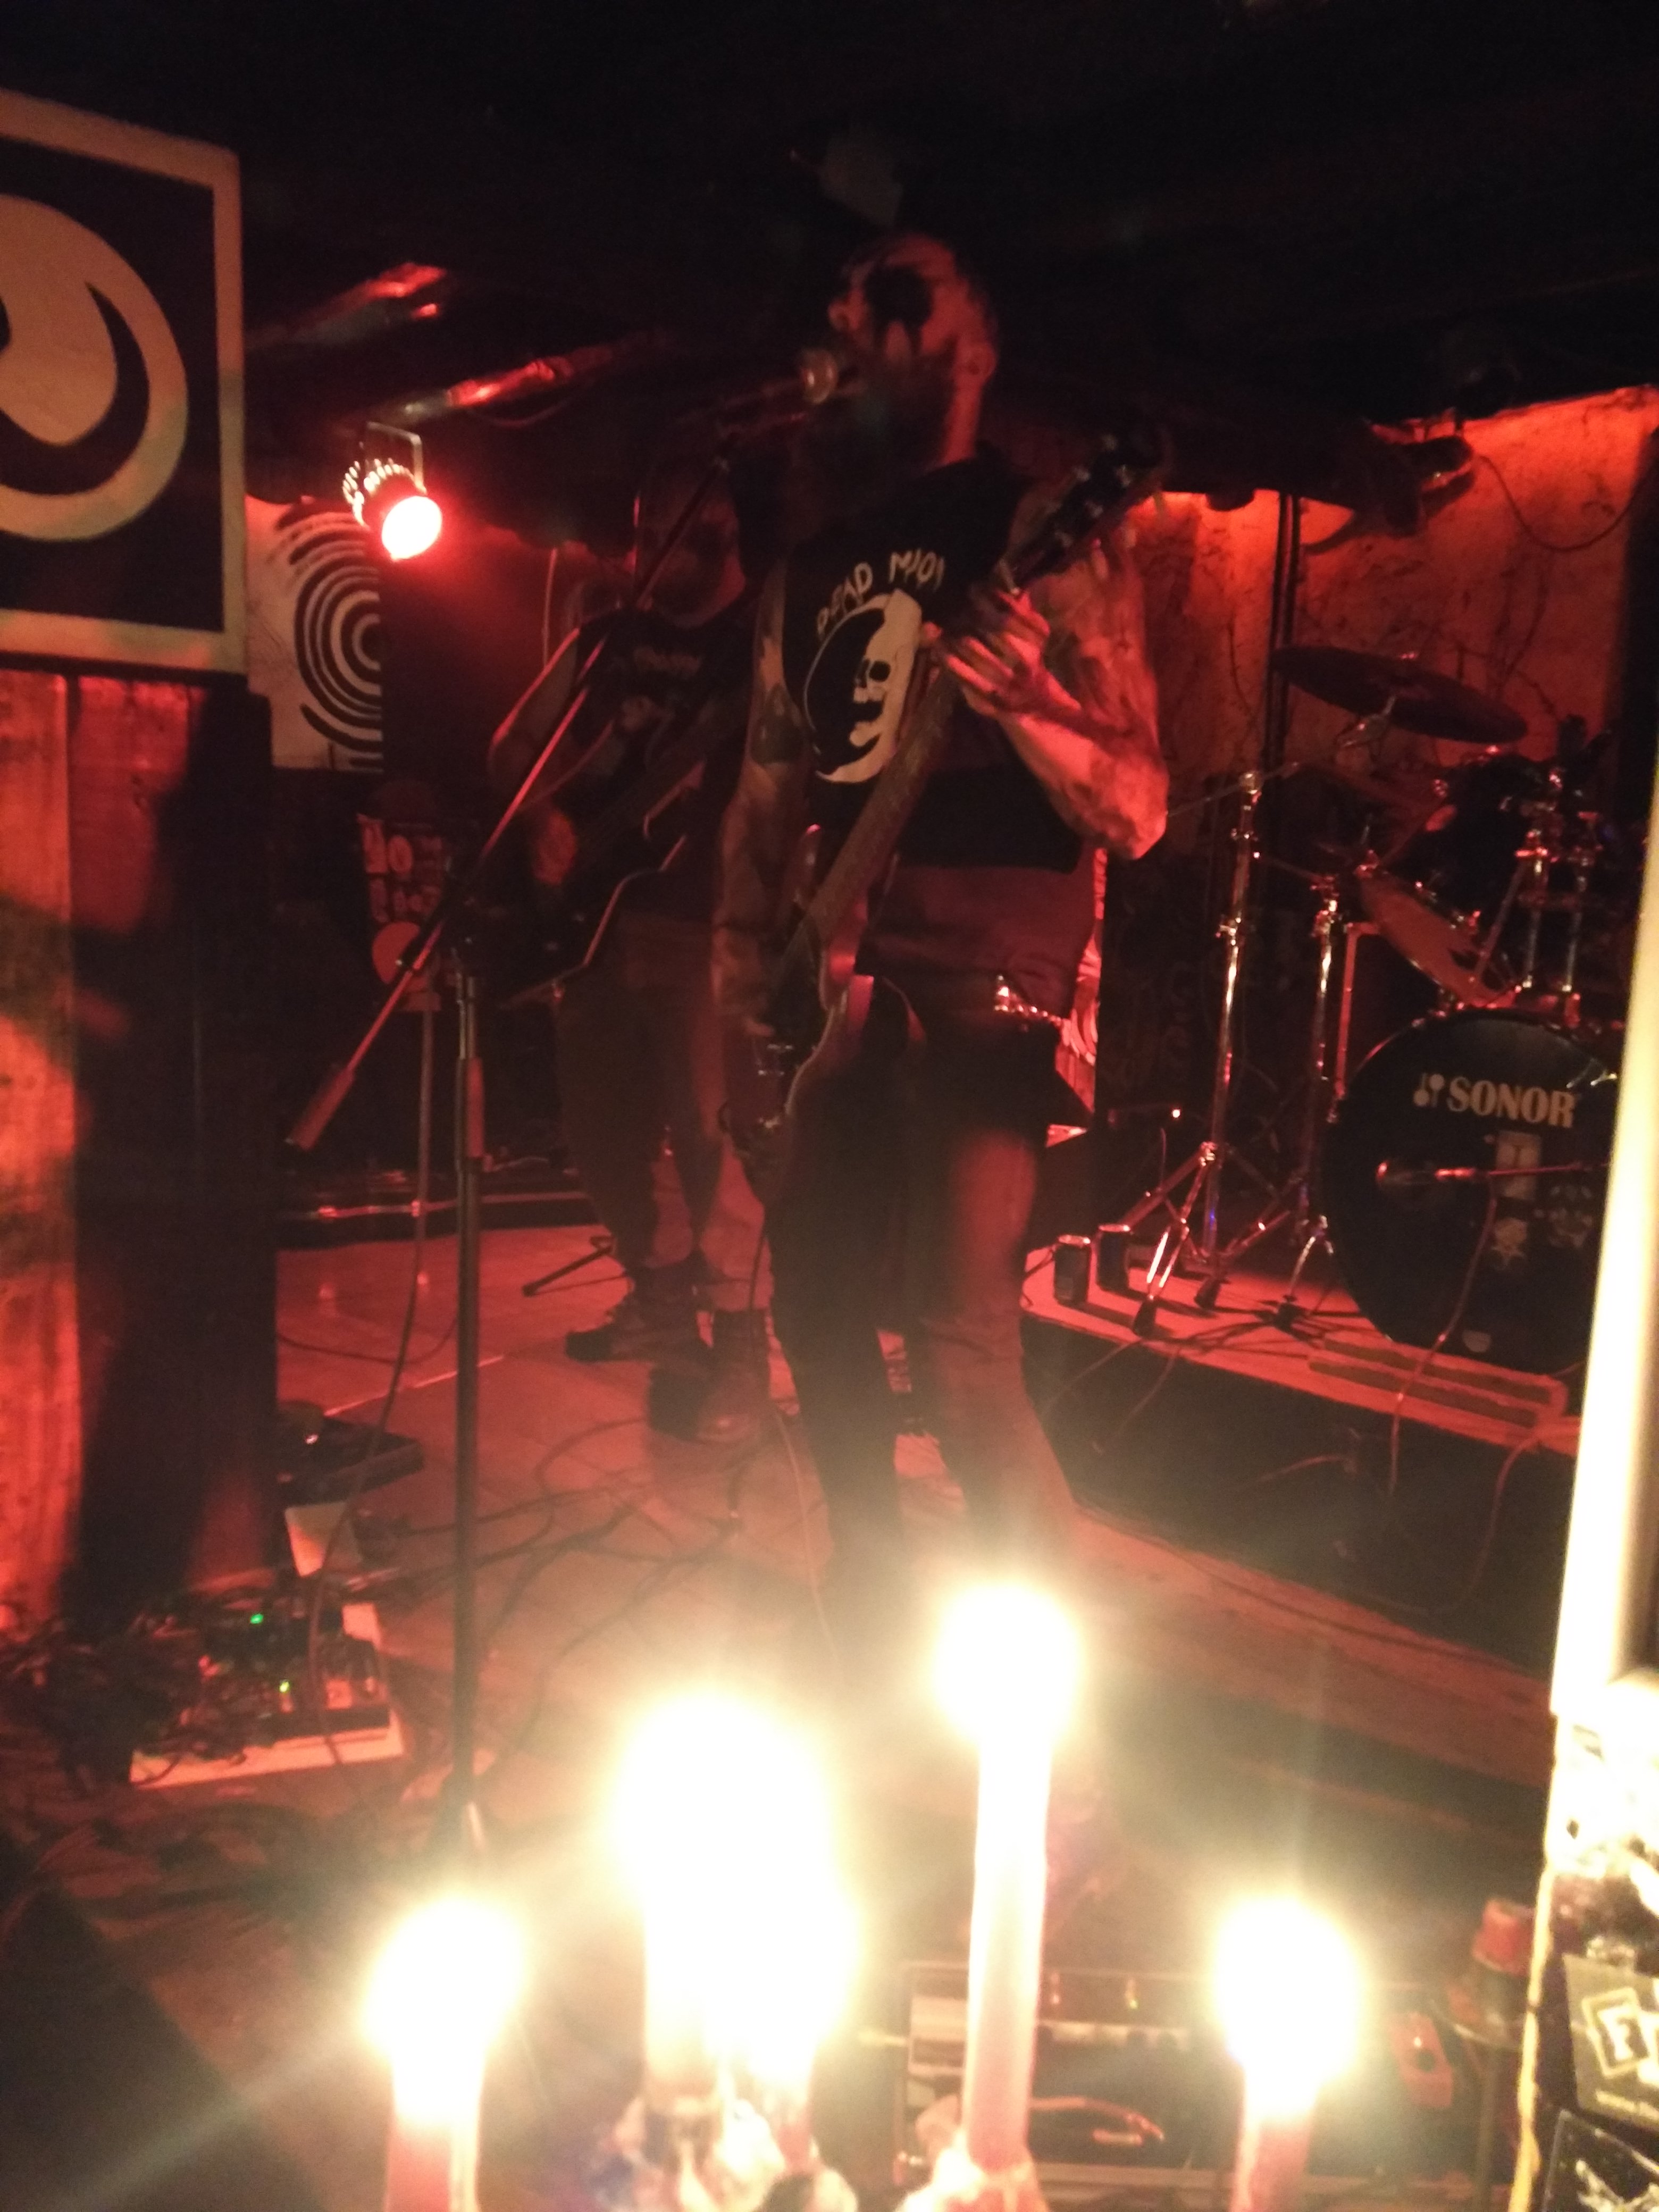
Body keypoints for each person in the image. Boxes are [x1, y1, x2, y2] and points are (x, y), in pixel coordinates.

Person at [713, 234, 1166, 1649]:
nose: (854, 316)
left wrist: (1026, 700)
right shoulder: (806, 573)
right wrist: (744, 1001)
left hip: (986, 975)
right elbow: (765, 802)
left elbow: (1140, 807)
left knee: (959, 1338)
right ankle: (868, 1601)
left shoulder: (1042, 532)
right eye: (845, 298)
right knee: (813, 1305)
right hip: (832, 978)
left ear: (976, 347)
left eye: (899, 297)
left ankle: (1046, 1681)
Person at [489, 457, 770, 1446]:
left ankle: (742, 1341)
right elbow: (512, 743)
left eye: (663, 540)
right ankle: (659, 1299)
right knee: (601, 1128)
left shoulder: (759, 644)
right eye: (642, 536)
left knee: (711, 1133)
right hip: (598, 922)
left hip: (704, 919)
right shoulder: (608, 639)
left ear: (720, 535)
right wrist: (543, 820)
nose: (643, 557)